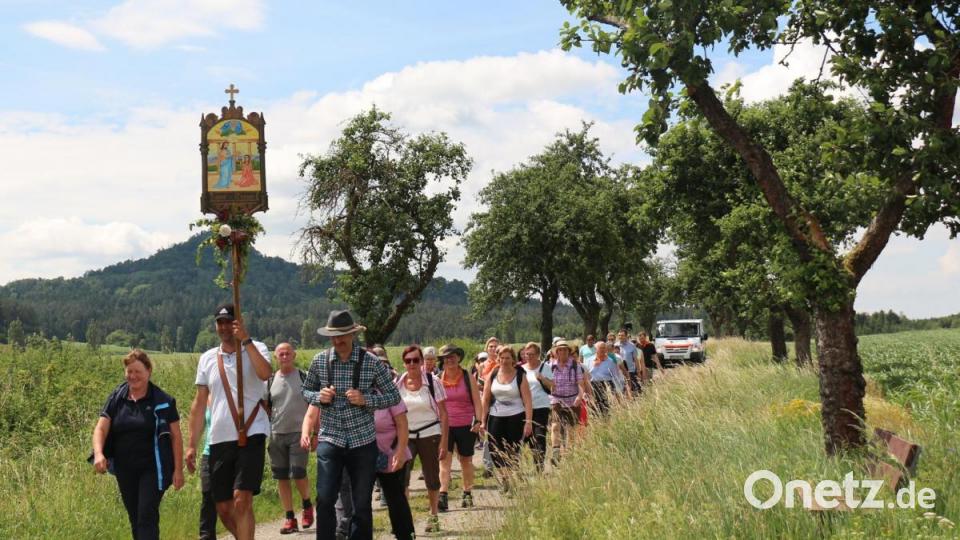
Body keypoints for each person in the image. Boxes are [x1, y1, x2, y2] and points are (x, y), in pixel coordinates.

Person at [300, 310, 401, 540]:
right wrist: (319, 397)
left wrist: (367, 400)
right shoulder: (320, 360)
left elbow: (394, 396)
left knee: (361, 504)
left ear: (353, 335)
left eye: (343, 335)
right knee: (325, 499)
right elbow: (305, 391)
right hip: (330, 438)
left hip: (363, 442)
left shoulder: (371, 362)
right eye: (333, 336)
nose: (338, 341)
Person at [186, 303, 272, 540]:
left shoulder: (258, 348)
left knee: (241, 500)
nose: (224, 327)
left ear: (238, 322)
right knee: (223, 507)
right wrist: (191, 443)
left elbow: (265, 373)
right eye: (220, 322)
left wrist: (246, 341)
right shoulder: (207, 359)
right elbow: (199, 403)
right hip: (219, 437)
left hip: (251, 432)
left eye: (228, 322)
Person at [92, 349, 184, 540]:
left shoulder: (163, 401)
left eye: (137, 372)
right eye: (129, 371)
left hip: (154, 469)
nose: (132, 376)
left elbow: (176, 436)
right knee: (135, 517)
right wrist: (99, 453)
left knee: (146, 516)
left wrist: (178, 470)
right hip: (125, 469)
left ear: (148, 371)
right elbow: (101, 428)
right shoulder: (117, 397)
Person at [397, 345, 449, 534]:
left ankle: (433, 515)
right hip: (406, 435)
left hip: (430, 434)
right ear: (404, 363)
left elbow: (444, 414)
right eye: (408, 360)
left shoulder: (433, 382)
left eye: (415, 360)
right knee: (401, 479)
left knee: (431, 477)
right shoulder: (398, 383)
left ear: (421, 361)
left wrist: (444, 442)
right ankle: (405, 520)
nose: (412, 364)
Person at [266, 343, 315, 534]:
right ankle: (289, 518)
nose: (284, 356)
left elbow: (314, 406)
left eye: (288, 353)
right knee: (281, 477)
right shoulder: (269, 381)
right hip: (277, 434)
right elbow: (266, 406)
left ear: (294, 355)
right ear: (276, 357)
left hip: (299, 434)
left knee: (298, 473)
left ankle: (307, 505)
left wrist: (316, 434)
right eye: (281, 354)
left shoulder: (304, 377)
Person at [479, 345, 533, 493]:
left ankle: (511, 480)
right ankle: (505, 479)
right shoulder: (493, 373)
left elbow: (528, 400)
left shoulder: (520, 375)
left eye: (507, 358)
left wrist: (528, 422)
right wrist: (483, 420)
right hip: (496, 416)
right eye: (501, 358)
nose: (504, 361)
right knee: (495, 450)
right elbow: (485, 398)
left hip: (516, 416)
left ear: (513, 359)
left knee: (513, 449)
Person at [437, 344, 482, 511]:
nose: (450, 359)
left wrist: (478, 420)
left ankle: (467, 493)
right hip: (445, 426)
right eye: (446, 357)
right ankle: (443, 495)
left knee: (465, 460)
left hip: (465, 424)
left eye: (453, 356)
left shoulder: (467, 376)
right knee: (444, 460)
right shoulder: (438, 378)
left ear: (458, 358)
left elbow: (477, 400)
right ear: (442, 361)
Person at [521, 342, 554, 472]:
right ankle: (518, 467)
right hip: (524, 408)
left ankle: (539, 467)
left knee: (539, 436)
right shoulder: (521, 369)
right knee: (525, 438)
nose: (528, 356)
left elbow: (553, 386)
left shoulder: (545, 367)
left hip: (541, 406)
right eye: (526, 354)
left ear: (538, 355)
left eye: (531, 354)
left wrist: (542, 378)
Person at [586, 341, 621, 416]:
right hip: (594, 385)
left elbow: (615, 376)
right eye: (600, 348)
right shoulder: (589, 360)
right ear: (596, 349)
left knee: (607, 407)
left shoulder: (610, 361)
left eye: (604, 348)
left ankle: (607, 422)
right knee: (595, 407)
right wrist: (594, 366)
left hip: (607, 384)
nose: (602, 350)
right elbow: (587, 375)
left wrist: (617, 389)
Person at [199, 399, 217, 540]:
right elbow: (199, 424)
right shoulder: (205, 398)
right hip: (208, 453)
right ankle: (206, 535)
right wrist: (191, 448)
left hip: (229, 452)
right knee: (207, 495)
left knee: (228, 502)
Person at [616, 329, 644, 394]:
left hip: (630, 371)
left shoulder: (632, 346)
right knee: (622, 390)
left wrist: (638, 371)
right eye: (619, 335)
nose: (620, 337)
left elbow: (636, 359)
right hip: (619, 371)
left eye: (622, 335)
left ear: (626, 336)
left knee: (633, 389)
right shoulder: (615, 345)